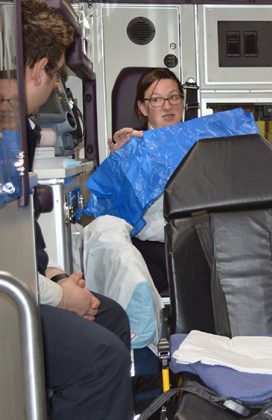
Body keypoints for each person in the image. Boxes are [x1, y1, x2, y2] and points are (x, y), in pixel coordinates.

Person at [21, 0, 134, 418]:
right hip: (10, 296)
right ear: (39, 69)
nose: (53, 87)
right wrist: (58, 295)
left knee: (112, 317)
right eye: (53, 76)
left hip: (24, 283)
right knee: (100, 356)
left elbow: (16, 246)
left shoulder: (19, 133)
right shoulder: (9, 138)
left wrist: (57, 278)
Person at [104, 67, 184, 293]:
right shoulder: (129, 149)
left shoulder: (201, 145)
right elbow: (113, 209)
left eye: (173, 97)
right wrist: (119, 164)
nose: (167, 106)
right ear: (142, 107)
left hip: (196, 243)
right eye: (156, 99)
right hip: (149, 249)